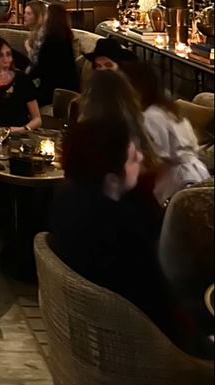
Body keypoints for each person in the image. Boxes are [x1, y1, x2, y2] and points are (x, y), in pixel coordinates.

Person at [50, 116, 176, 340]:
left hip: (86, 331)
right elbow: (159, 302)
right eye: (131, 157)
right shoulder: (122, 224)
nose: (140, 156)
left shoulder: (65, 197)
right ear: (112, 179)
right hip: (141, 342)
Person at [125, 59, 209, 204]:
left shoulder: (151, 116)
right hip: (193, 173)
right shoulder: (165, 108)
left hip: (178, 181)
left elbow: (154, 159)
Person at [29, 3, 79, 108]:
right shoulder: (65, 38)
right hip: (65, 89)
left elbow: (39, 70)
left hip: (53, 92)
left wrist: (21, 77)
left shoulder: (51, 41)